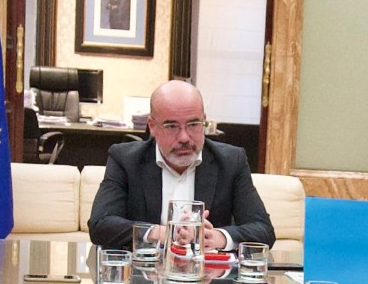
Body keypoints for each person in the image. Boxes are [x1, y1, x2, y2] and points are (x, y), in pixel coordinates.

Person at [87, 79, 275, 252]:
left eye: (193, 124)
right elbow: (100, 225)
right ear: (152, 126)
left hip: (209, 274)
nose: (184, 137)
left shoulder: (231, 161)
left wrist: (217, 237)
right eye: (171, 126)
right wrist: (161, 233)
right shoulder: (125, 160)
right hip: (145, 273)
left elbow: (263, 230)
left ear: (203, 120)